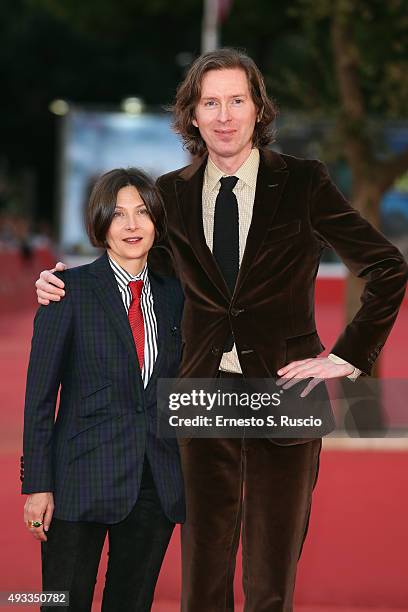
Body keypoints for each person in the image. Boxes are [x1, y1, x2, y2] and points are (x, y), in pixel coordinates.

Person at [34, 49, 408, 612]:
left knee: (270, 579)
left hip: (287, 393)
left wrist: (347, 356)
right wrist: (64, 282)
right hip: (199, 397)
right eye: (211, 102)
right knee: (203, 578)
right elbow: (132, 262)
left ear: (259, 110)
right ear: (193, 114)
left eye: (238, 100)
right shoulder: (172, 194)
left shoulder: (304, 182)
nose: (225, 115)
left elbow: (388, 267)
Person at [22, 168, 185, 612]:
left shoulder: (177, 296)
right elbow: (38, 399)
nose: (132, 225)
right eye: (118, 215)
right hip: (77, 481)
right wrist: (37, 485)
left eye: (142, 213)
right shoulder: (66, 291)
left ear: (156, 222)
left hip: (154, 483)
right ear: (100, 224)